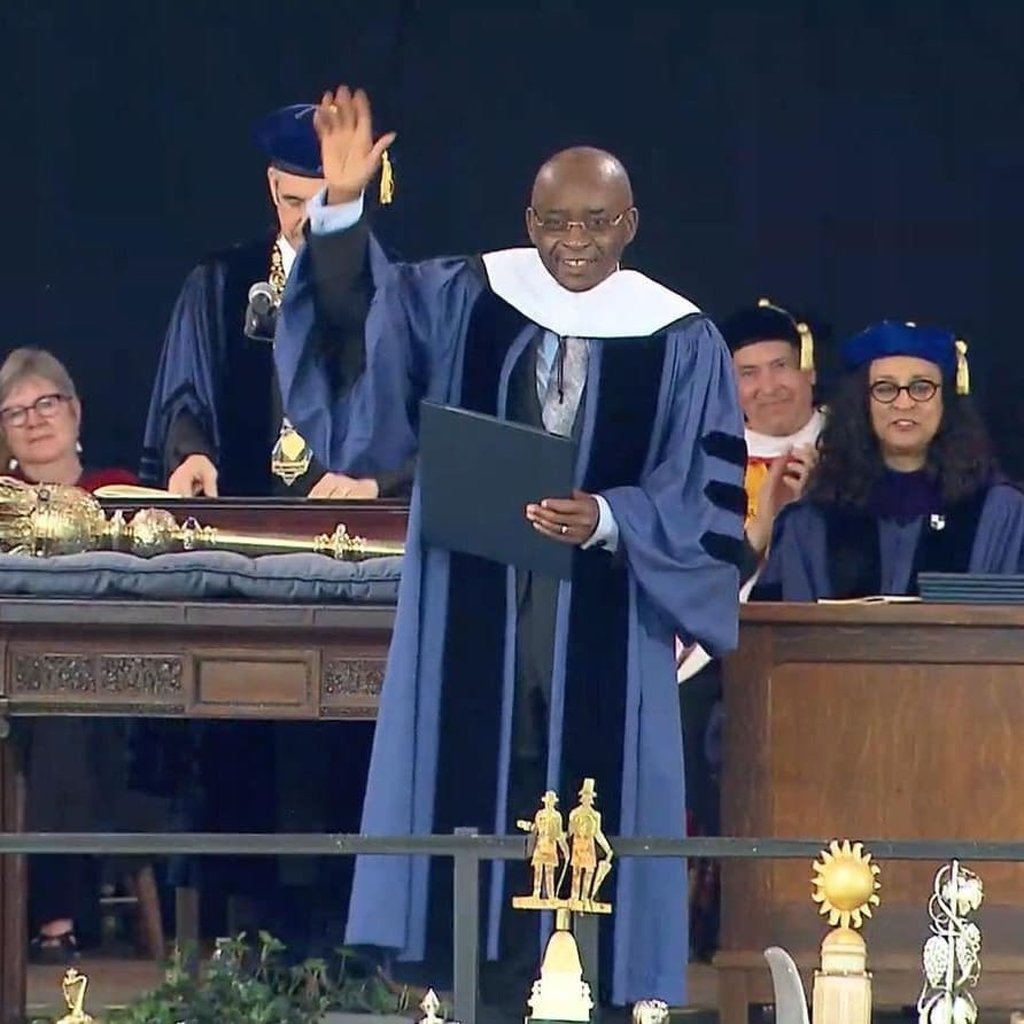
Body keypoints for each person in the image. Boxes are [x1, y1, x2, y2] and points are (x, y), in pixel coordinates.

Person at [273, 85, 748, 1007]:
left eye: (598, 221)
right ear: (530, 219)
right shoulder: (464, 297)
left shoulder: (681, 339)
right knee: (474, 794)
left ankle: (598, 996)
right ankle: (468, 989)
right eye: (558, 221)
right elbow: (354, 323)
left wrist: (612, 519)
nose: (576, 241)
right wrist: (340, 208)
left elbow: (702, 496)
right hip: (472, 603)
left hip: (606, 610)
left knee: (593, 811)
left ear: (631, 223)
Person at [139, 102, 410, 501]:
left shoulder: (395, 290)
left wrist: (377, 483)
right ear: (272, 185)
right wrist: (191, 453)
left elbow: (426, 421)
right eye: (293, 201)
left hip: (352, 528)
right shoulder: (220, 283)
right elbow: (186, 396)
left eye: (324, 205)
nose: (306, 221)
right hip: (241, 525)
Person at [676, 299, 822, 958]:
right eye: (748, 372)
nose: (769, 386)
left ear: (807, 373)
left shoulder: (847, 447)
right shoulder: (704, 459)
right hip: (715, 652)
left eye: (781, 366)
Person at [0, 347, 138, 962]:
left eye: (45, 403)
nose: (32, 420)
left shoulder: (126, 494)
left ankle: (53, 916)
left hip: (114, 689)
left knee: (56, 714)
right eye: (13, 412)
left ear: (75, 411)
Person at [753, 320, 1024, 600]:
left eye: (921, 388)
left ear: (947, 402)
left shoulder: (999, 512)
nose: (904, 404)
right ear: (862, 405)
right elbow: (783, 634)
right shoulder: (814, 519)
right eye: (884, 389)